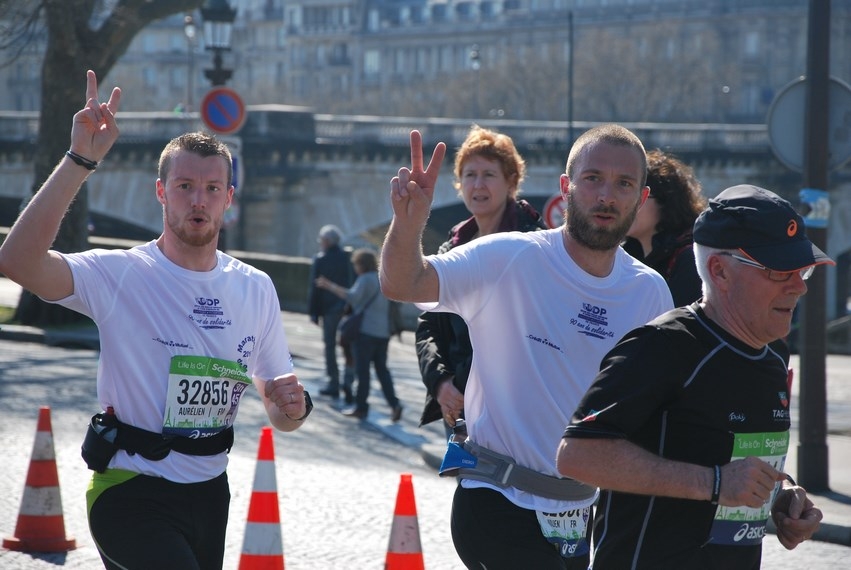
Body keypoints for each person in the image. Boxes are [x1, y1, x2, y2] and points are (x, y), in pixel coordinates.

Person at [0, 71, 312, 570]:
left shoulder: (254, 287)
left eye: (212, 188)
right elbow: (17, 261)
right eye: (185, 185)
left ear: (228, 199)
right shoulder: (121, 273)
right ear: (161, 192)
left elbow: (280, 403)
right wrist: (80, 160)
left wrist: (292, 409)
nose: (198, 199)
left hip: (210, 493)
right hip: (129, 490)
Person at [379, 125, 674, 568]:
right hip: (496, 500)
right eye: (592, 178)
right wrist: (407, 224)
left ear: (641, 196)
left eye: (624, 183)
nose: (606, 195)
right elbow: (404, 283)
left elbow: (656, 409)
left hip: (577, 515)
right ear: (566, 186)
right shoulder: (508, 258)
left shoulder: (649, 293)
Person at [557, 184, 829, 569]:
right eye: (778, 270)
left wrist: (780, 499)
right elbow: (577, 456)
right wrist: (713, 483)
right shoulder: (661, 345)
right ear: (720, 271)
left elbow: (735, 466)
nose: (798, 286)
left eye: (802, 270)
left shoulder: (771, 357)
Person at [415, 125, 546, 435]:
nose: (477, 184)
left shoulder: (536, 247)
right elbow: (429, 326)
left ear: (512, 182)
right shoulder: (453, 248)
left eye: (489, 174)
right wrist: (441, 382)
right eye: (469, 175)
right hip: (461, 406)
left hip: (518, 410)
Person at [316, 248, 403, 422]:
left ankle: (361, 407)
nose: (355, 267)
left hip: (365, 332)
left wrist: (329, 285)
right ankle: (394, 404)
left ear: (361, 265)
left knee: (362, 372)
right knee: (382, 370)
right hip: (383, 332)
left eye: (356, 264)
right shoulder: (383, 279)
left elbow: (352, 297)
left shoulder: (365, 279)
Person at [622, 148, 707, 306]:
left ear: (666, 201)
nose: (627, 206)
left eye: (639, 198)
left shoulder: (688, 260)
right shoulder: (623, 256)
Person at [307, 224, 355, 400]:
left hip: (328, 309)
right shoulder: (347, 258)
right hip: (346, 308)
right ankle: (349, 381)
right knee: (348, 347)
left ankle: (333, 382)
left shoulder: (320, 259)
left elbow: (315, 289)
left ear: (327, 241)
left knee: (330, 346)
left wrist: (313, 313)